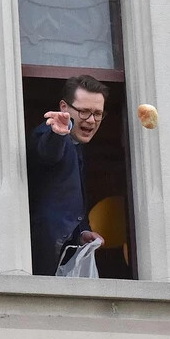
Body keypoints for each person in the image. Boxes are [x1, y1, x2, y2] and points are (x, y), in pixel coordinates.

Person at [27, 75, 107, 275]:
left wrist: (82, 232)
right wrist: (58, 133)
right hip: (41, 257)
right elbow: (49, 152)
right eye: (84, 111)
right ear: (64, 107)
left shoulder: (78, 145)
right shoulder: (48, 133)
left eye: (98, 113)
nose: (91, 120)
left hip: (63, 256)